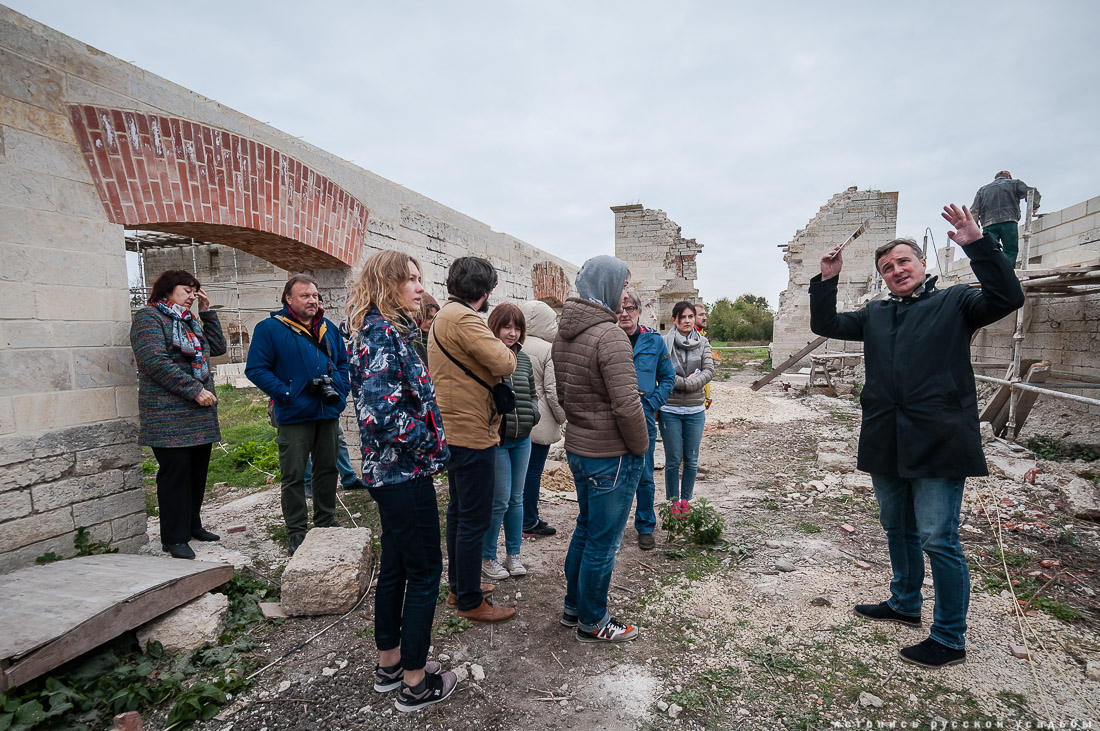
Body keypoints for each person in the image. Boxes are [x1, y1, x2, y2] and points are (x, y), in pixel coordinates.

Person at [810, 204, 1024, 668]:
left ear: (922, 263)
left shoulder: (957, 302)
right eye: (888, 268)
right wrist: (827, 279)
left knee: (938, 538)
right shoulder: (875, 314)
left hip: (939, 440)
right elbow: (825, 325)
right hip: (885, 437)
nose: (897, 271)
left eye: (903, 261)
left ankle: (948, 637)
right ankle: (905, 602)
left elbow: (1008, 297)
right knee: (897, 527)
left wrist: (976, 243)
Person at [346, 250, 457, 712]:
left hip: (393, 472)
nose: (419, 286)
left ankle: (390, 663)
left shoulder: (386, 332)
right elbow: (383, 416)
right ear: (386, 284)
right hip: (402, 473)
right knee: (425, 570)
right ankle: (416, 682)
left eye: (418, 278)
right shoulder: (381, 335)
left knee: (395, 565)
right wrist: (435, 450)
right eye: (410, 279)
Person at [552, 255, 649, 642]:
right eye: (622, 285)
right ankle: (593, 622)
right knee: (603, 543)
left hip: (580, 448)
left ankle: (574, 607)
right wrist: (640, 447)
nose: (625, 295)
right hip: (610, 454)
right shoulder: (610, 336)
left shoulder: (564, 333)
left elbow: (564, 397)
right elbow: (627, 405)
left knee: (586, 529)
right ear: (607, 285)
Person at [428, 257, 517, 623]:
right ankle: (469, 599)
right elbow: (505, 362)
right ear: (484, 291)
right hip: (471, 431)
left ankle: (459, 586)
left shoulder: (443, 315)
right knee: (474, 518)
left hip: (455, 429)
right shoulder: (464, 318)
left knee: (459, 513)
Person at [245, 274, 350, 555]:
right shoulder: (270, 329)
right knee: (293, 474)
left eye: (315, 295)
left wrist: (340, 389)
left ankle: (325, 520)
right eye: (305, 296)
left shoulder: (328, 328)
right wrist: (287, 393)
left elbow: (343, 362)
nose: (312, 300)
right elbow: (256, 369)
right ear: (289, 299)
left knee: (327, 469)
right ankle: (296, 530)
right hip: (293, 414)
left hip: (327, 411)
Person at [130, 270, 226, 560]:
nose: (192, 296)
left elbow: (217, 348)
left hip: (198, 414)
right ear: (167, 291)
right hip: (168, 416)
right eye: (187, 290)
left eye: (195, 292)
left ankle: (192, 525)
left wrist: (206, 313)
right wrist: (194, 390)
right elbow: (153, 362)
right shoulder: (149, 318)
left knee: (196, 474)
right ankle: (174, 538)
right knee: (175, 476)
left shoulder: (189, 320)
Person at [481, 303, 540, 580]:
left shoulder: (524, 359)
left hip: (523, 439)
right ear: (495, 327)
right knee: (500, 501)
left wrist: (533, 415)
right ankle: (487, 556)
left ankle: (513, 554)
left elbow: (533, 393)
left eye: (517, 328)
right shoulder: (488, 357)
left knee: (517, 499)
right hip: (499, 441)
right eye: (507, 327)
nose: (512, 333)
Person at [617, 290, 675, 550]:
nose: (625, 314)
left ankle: (645, 525)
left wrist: (651, 403)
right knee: (614, 475)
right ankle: (614, 527)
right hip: (614, 418)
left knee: (644, 474)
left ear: (639, 312)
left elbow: (668, 378)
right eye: (621, 309)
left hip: (643, 417)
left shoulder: (654, 341)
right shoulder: (609, 339)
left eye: (630, 308)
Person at [659, 301, 714, 514]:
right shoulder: (664, 343)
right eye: (683, 317)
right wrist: (685, 383)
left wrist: (689, 384)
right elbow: (662, 372)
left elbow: (708, 370)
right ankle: (674, 502)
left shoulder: (703, 343)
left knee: (691, 458)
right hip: (670, 409)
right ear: (674, 320)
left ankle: (686, 501)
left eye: (691, 316)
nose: (687, 321)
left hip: (695, 410)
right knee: (673, 459)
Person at [519, 300, 567, 538]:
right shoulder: (548, 350)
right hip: (540, 420)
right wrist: (562, 417)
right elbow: (552, 390)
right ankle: (529, 520)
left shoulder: (514, 344)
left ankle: (519, 518)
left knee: (518, 473)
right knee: (533, 472)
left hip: (517, 418)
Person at [970, 170, 1041, 266]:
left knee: (989, 250)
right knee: (1010, 250)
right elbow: (1033, 192)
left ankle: (992, 271)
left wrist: (975, 227)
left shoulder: (982, 190)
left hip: (989, 224)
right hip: (1009, 222)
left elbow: (974, 210)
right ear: (1008, 176)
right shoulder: (1014, 183)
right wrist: (1035, 206)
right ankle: (1008, 271)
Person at [303, 422, 368, 497]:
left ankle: (349, 479)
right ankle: (308, 483)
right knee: (302, 442)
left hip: (328, 415)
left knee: (337, 437)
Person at [693, 303, 712, 410]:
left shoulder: (701, 336)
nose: (705, 318)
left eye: (705, 314)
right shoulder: (690, 338)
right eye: (701, 315)